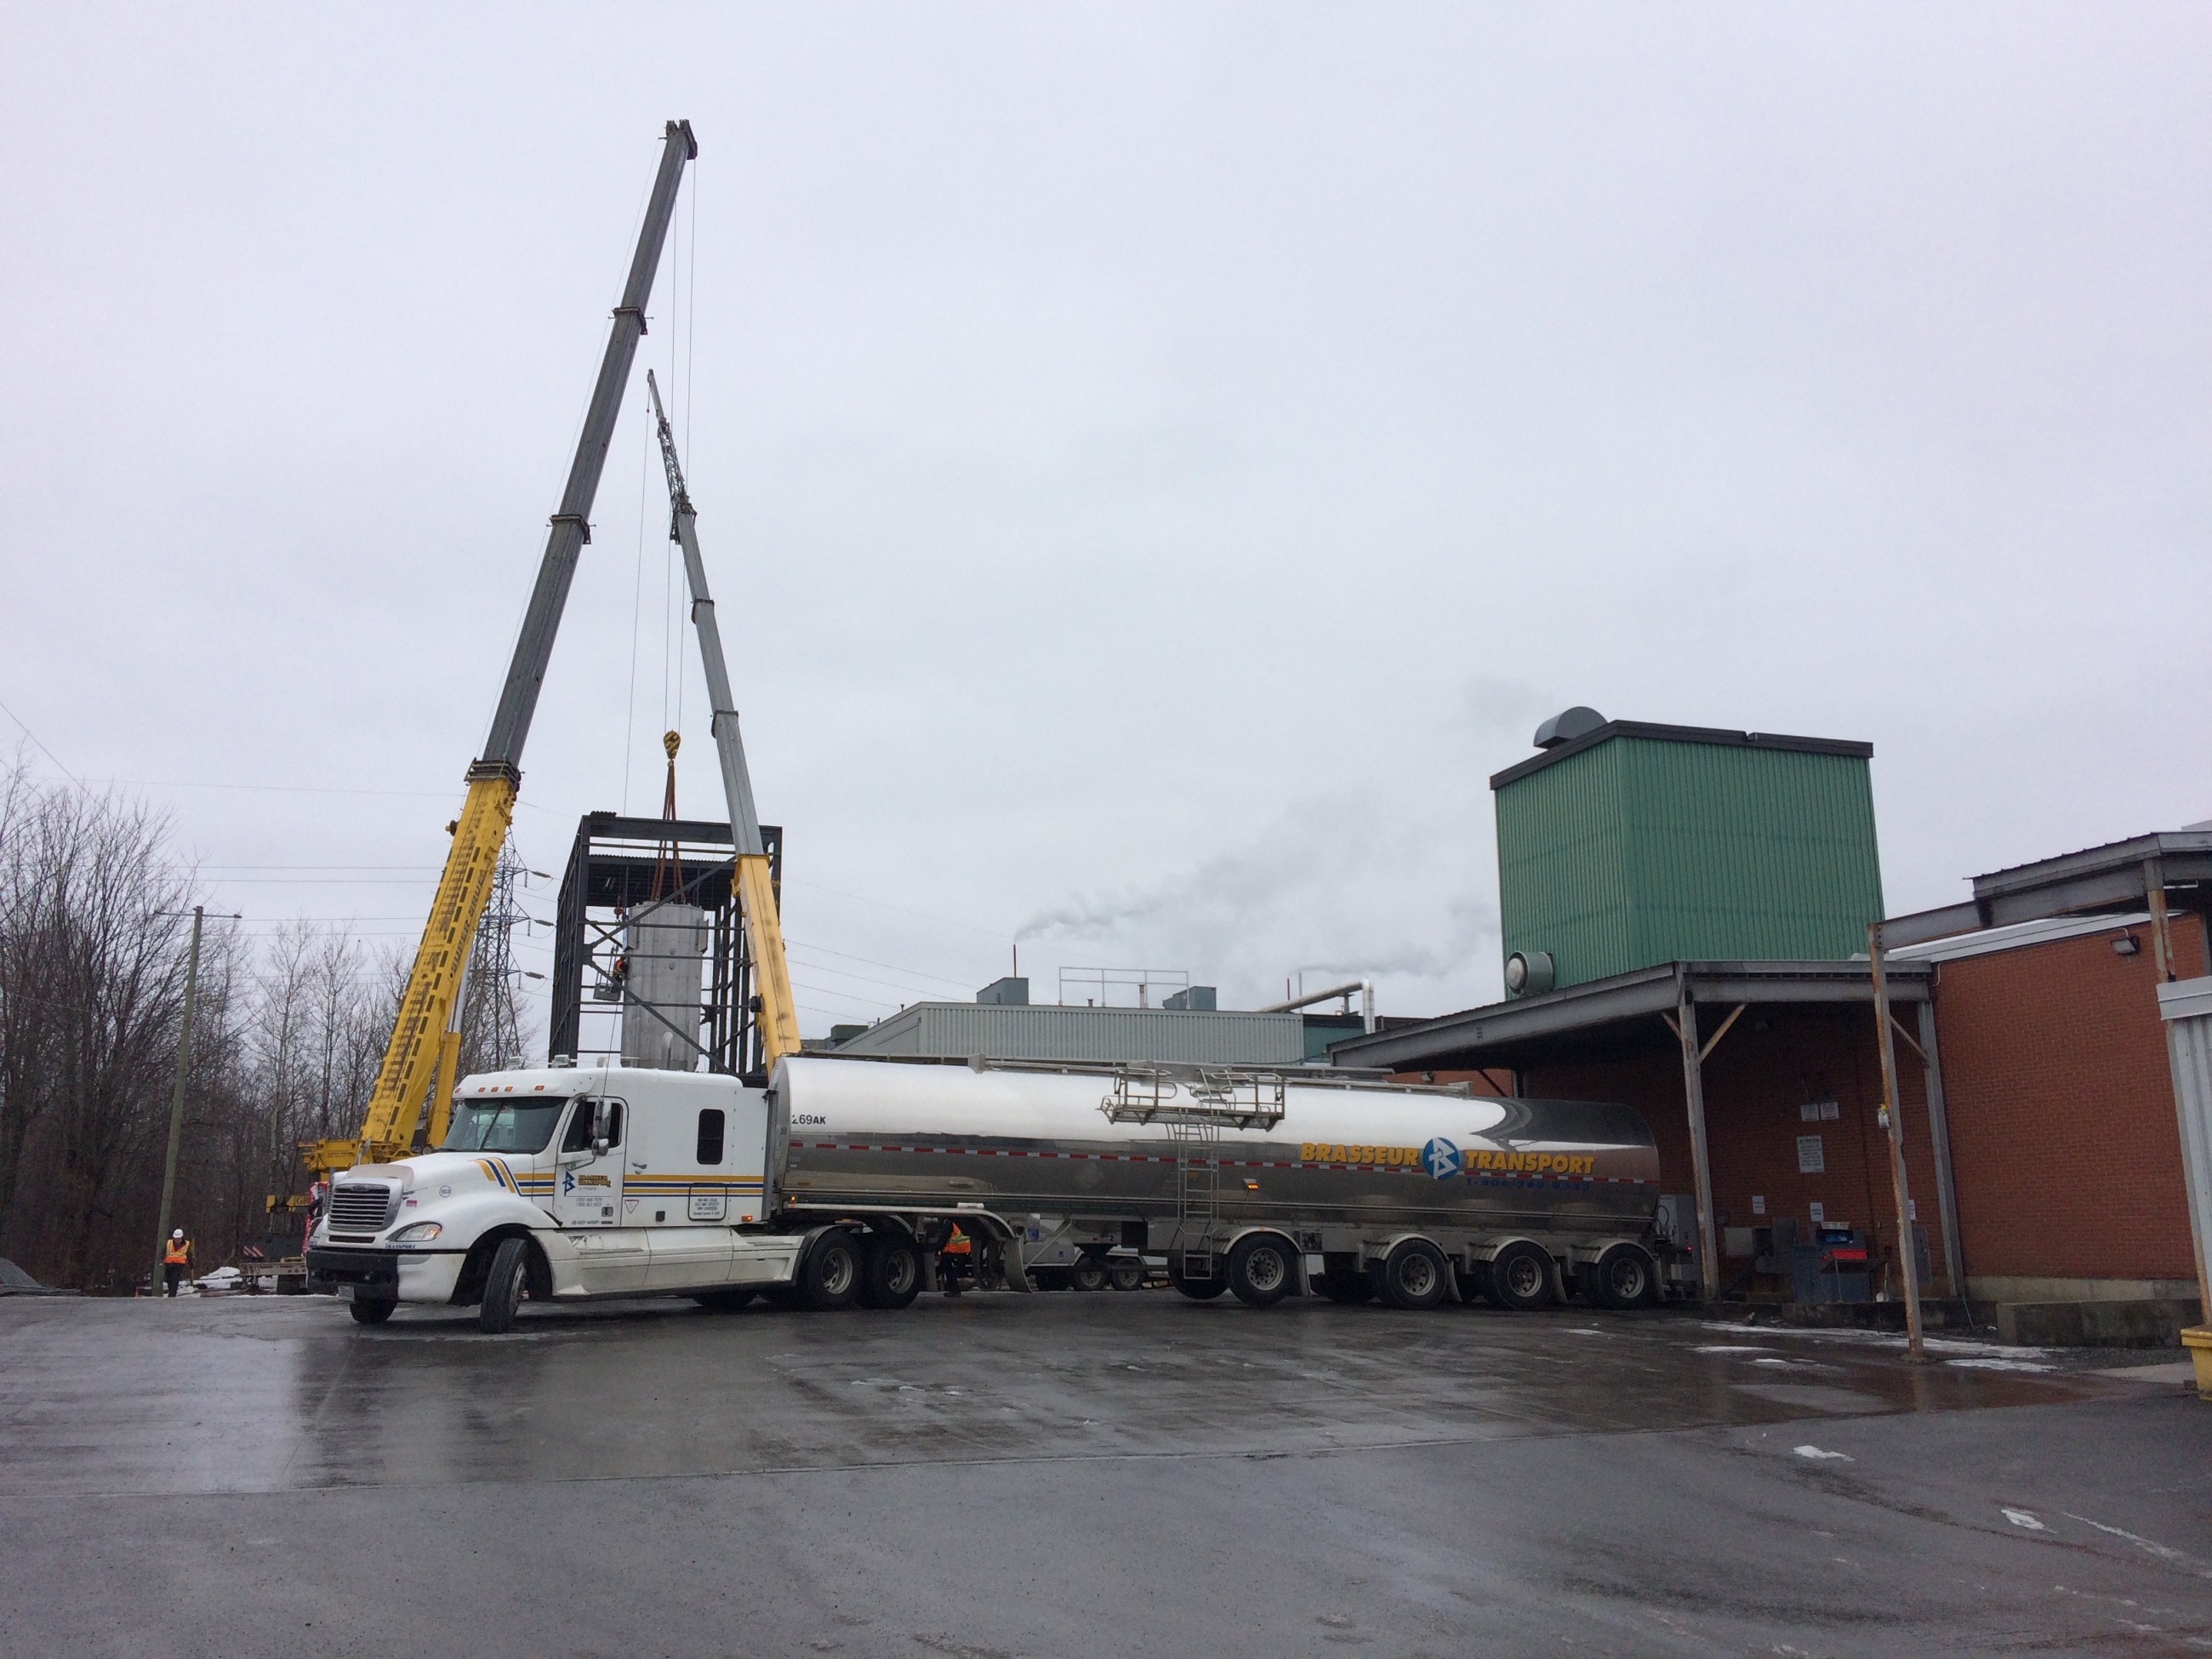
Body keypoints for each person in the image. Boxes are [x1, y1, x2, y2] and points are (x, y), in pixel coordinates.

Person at [162, 1229, 191, 1297]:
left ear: (181, 1237)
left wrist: (191, 1264)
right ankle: (171, 1292)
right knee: (169, 1279)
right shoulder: (169, 1243)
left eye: (178, 1238)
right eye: (176, 1238)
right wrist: (161, 1260)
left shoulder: (186, 1244)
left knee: (175, 1279)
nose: (177, 1240)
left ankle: (172, 1294)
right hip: (169, 1264)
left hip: (179, 1264)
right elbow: (164, 1252)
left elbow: (189, 1254)